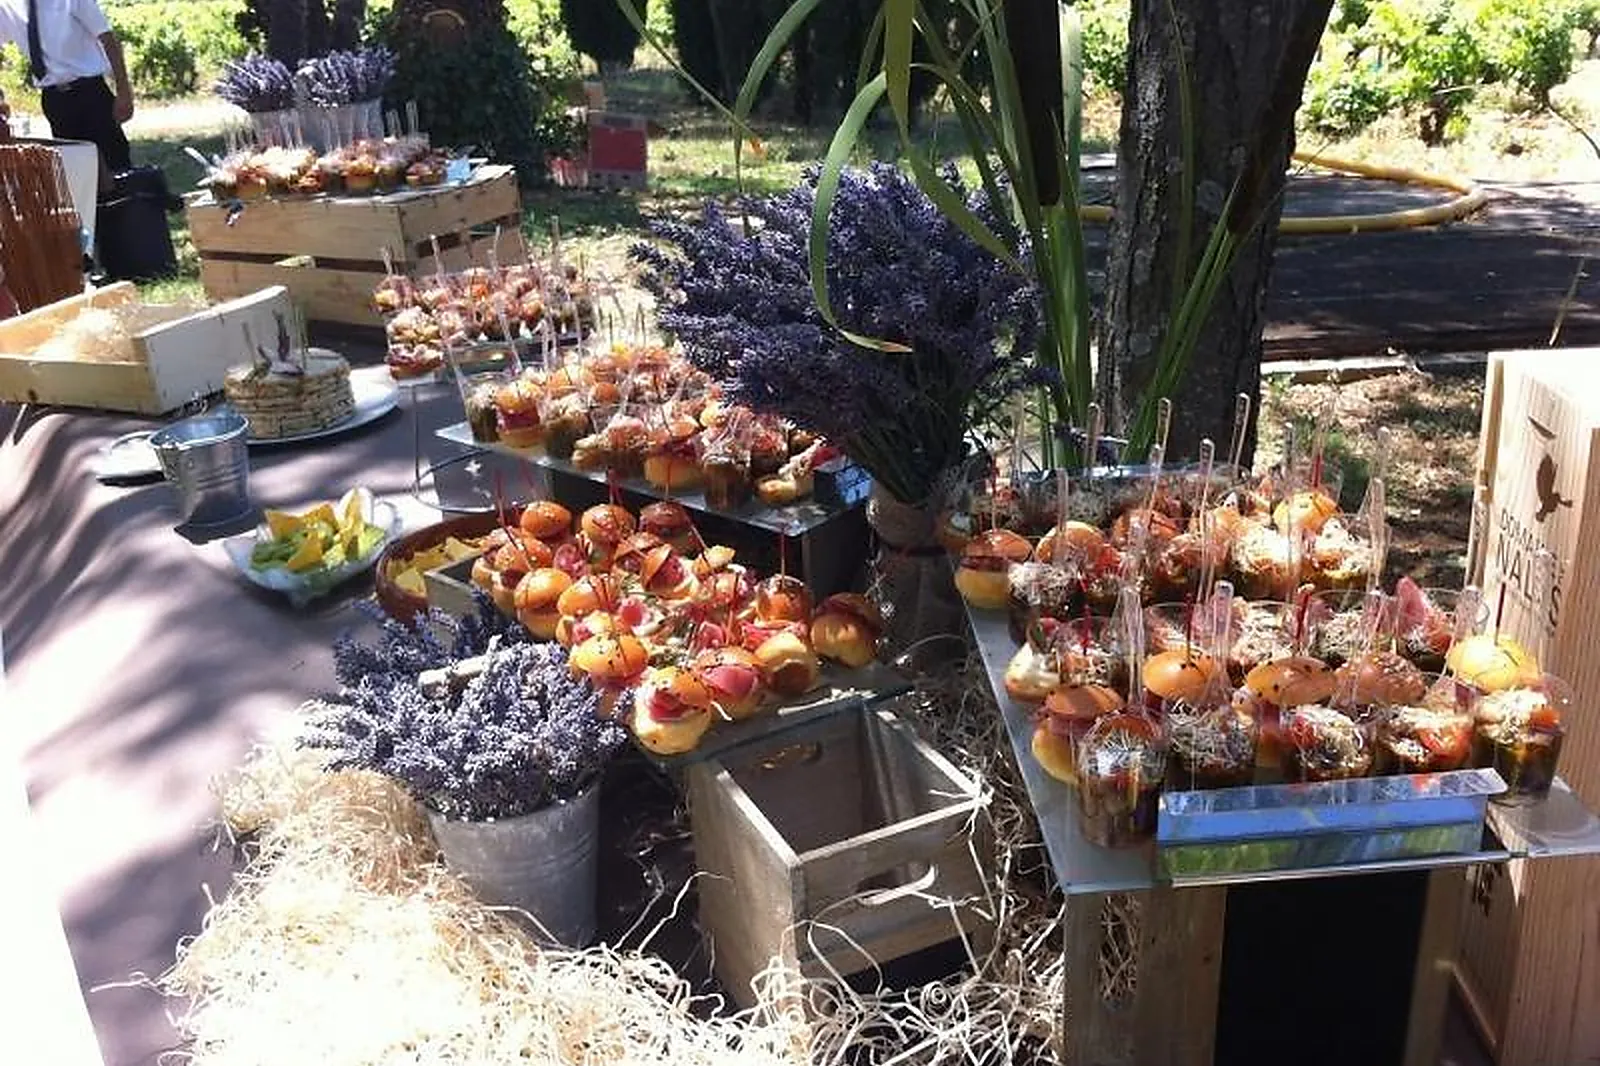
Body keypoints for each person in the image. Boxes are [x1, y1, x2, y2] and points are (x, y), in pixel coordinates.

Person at [0, 0, 134, 178]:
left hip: (89, 92)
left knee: (114, 162)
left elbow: (108, 40)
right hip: (54, 98)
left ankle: (132, 201)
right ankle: (93, 205)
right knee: (75, 168)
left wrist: (124, 92)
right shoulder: (9, 5)